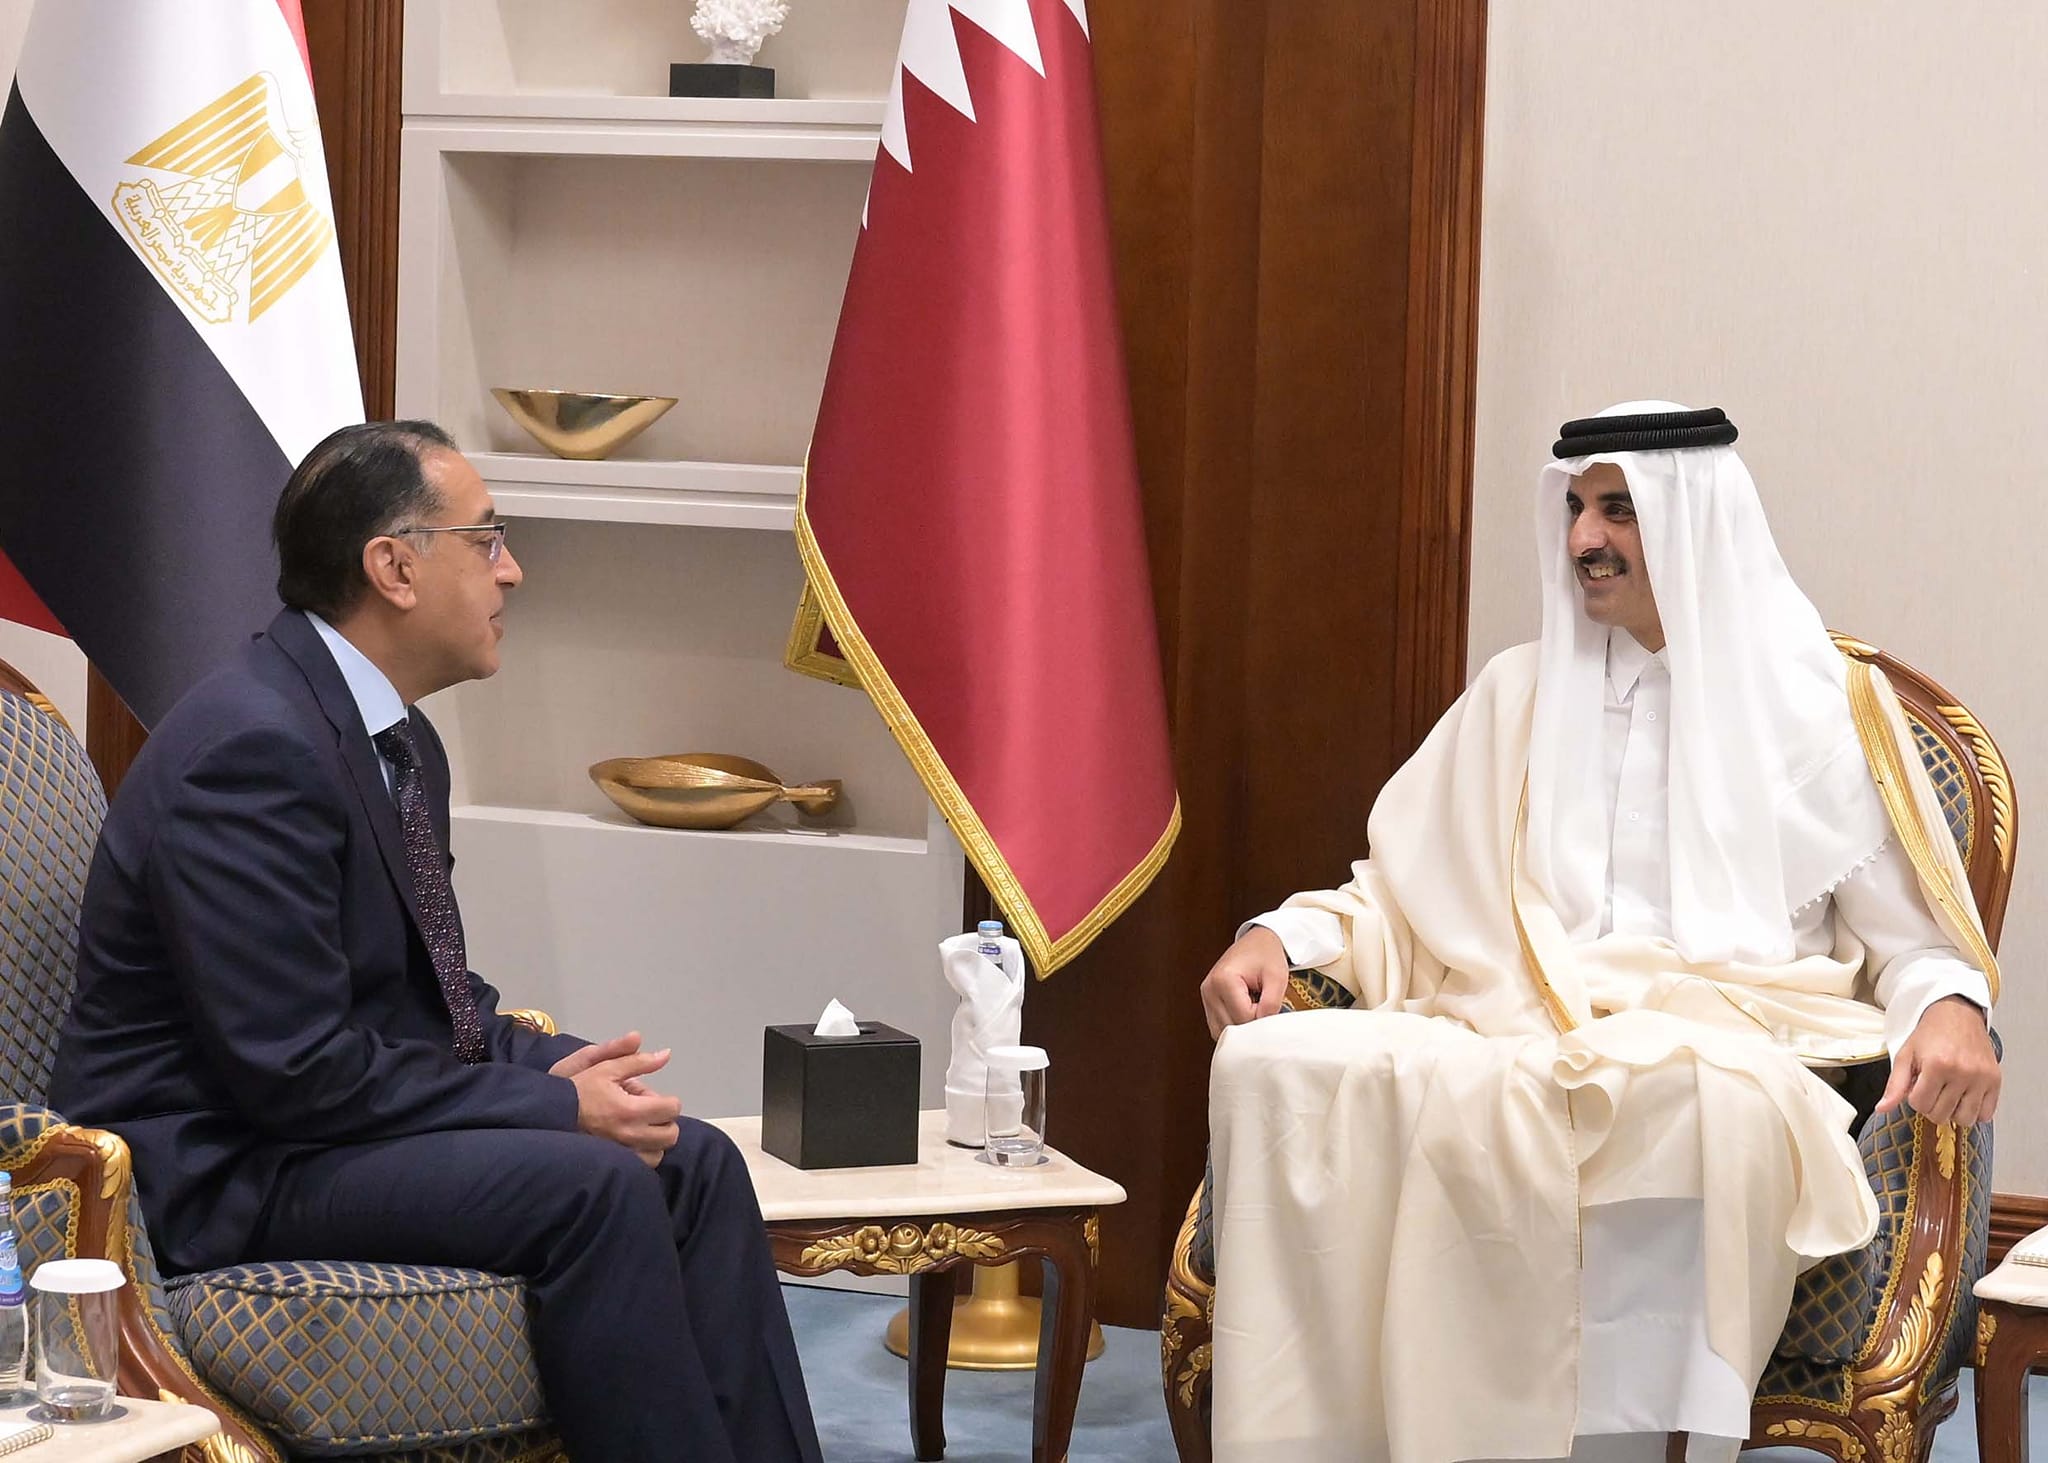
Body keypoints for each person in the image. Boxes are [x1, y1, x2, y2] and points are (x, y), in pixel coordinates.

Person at [1198, 403, 2001, 1463]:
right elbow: (1398, 892)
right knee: (1272, 1062)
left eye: (1618, 509)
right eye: (1575, 507)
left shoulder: (1823, 709)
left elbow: (1918, 944)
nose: (1584, 538)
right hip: (1510, 1027)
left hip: (1716, 1047)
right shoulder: (1517, 693)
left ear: (1692, 517)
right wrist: (1278, 937)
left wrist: (1952, 1006)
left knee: (1665, 1096)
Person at [50, 420, 821, 1463]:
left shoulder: (395, 737)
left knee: (694, 1157)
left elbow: (428, 997)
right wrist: (556, 1108)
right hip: (224, 1163)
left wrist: (553, 1069)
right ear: (395, 567)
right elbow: (294, 1069)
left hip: (318, 1130)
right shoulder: (252, 747)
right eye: (486, 538)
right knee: (592, 1185)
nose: (512, 569)